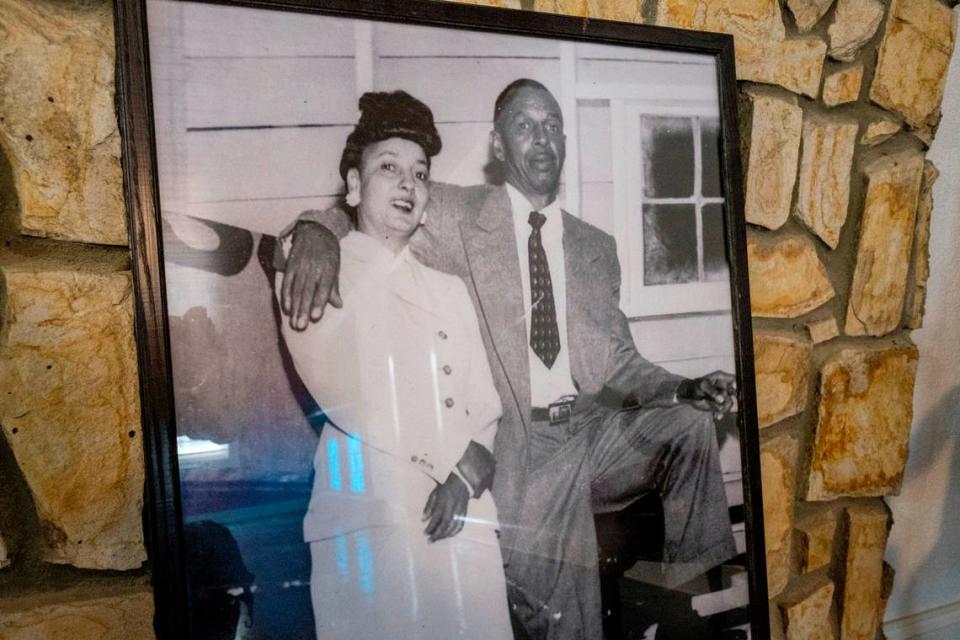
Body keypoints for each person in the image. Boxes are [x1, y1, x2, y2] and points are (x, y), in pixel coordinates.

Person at [279, 79, 738, 639]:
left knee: (689, 424)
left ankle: (690, 615)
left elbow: (619, 362)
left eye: (551, 125)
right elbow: (373, 206)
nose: (541, 138)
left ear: (564, 139)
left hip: (593, 433)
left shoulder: (596, 248)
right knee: (568, 625)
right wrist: (314, 232)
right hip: (523, 443)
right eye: (524, 125)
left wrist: (683, 388)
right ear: (498, 145)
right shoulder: (454, 210)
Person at [276, 91, 513, 640]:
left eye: (421, 173)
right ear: (355, 187)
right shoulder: (315, 267)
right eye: (389, 168)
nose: (409, 184)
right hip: (375, 522)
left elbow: (485, 408)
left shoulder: (449, 290)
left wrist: (464, 476)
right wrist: (315, 229)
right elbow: (350, 390)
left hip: (464, 516)